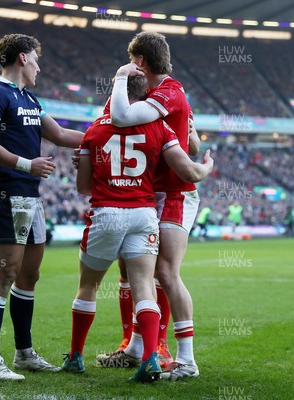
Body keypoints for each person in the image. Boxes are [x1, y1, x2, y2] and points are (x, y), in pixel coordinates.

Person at [61, 76, 213, 382]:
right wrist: (206, 167)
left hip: (109, 213)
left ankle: (77, 355)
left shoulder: (96, 129)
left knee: (90, 285)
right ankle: (146, 355)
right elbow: (190, 155)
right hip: (143, 212)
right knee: (143, 280)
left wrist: (92, 162)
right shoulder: (159, 125)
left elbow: (82, 187)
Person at [0, 33, 84, 381]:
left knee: (29, 275)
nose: (38, 66)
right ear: (22, 58)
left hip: (30, 196)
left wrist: (112, 133)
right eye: (35, 59)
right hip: (5, 192)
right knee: (3, 275)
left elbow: (62, 136)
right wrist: (26, 164)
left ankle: (23, 353)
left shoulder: (29, 99)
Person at [98, 31, 203, 381]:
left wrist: (118, 77)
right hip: (147, 194)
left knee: (165, 273)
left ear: (139, 61)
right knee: (132, 271)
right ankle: (134, 346)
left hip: (175, 192)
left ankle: (180, 357)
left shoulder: (168, 91)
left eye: (132, 60)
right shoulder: (164, 93)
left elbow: (122, 118)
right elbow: (192, 138)